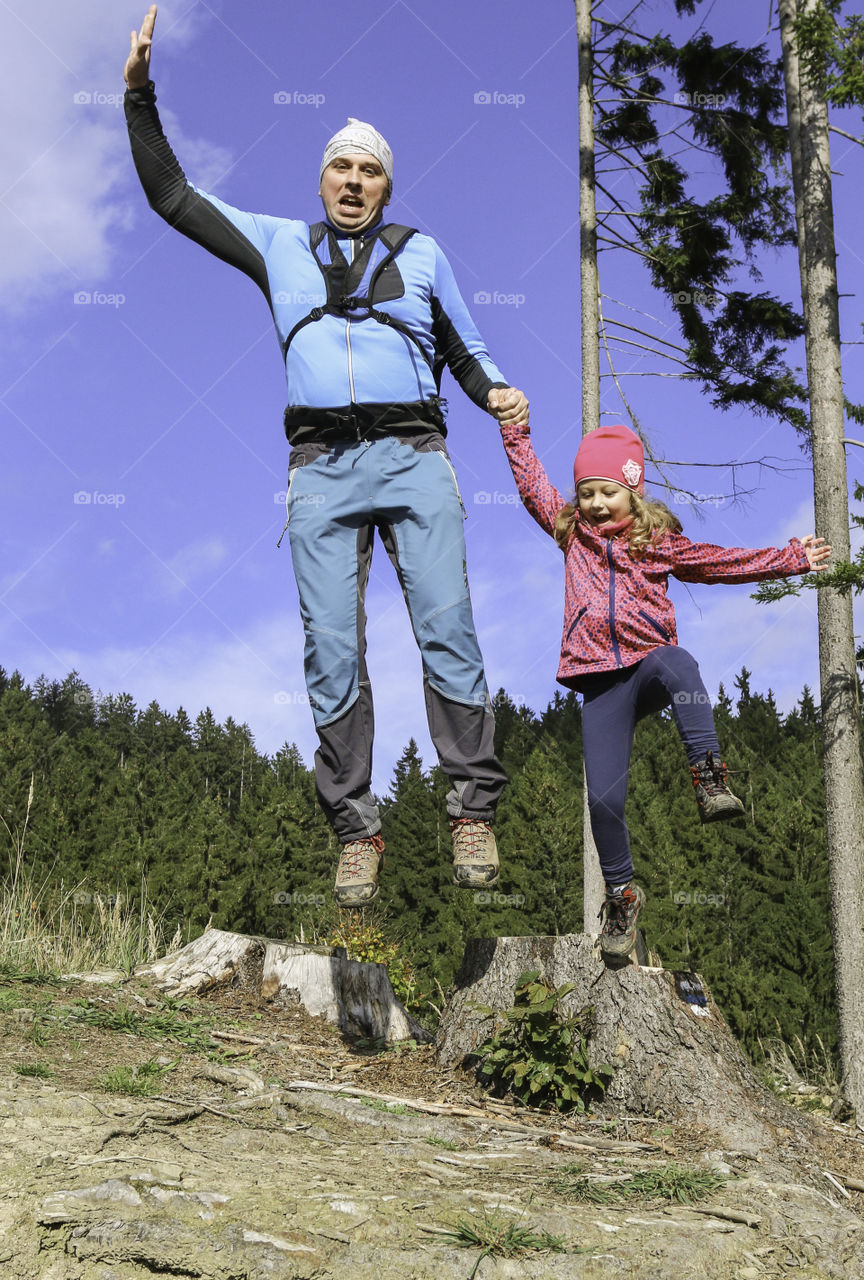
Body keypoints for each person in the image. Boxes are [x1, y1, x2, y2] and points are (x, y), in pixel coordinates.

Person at [123, 6, 528, 907]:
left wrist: (495, 390)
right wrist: (139, 96)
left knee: (446, 628)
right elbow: (173, 198)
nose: (353, 180)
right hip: (320, 468)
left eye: (369, 169)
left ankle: (471, 811)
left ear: (388, 185)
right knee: (331, 650)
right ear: (322, 181)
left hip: (415, 455)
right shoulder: (277, 245)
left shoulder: (422, 253)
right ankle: (355, 828)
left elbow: (466, 348)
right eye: (340, 167)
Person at [499, 418, 831, 958]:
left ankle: (708, 777)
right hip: (600, 682)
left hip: (649, 666)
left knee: (680, 661)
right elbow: (531, 480)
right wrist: (515, 430)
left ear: (633, 490)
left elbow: (720, 562)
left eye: (609, 492)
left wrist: (790, 558)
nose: (598, 504)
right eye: (587, 494)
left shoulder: (655, 543)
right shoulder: (572, 535)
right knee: (603, 801)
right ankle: (622, 896)